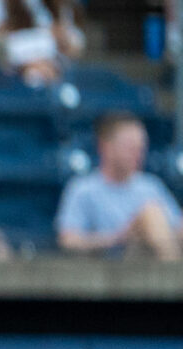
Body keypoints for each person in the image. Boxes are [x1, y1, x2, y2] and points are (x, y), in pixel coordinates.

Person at [56, 111, 183, 260]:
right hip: (112, 266)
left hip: (151, 258)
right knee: (151, 214)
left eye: (141, 148)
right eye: (130, 148)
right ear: (106, 147)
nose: (138, 154)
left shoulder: (151, 185)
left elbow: (176, 228)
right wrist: (117, 238)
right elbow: (68, 241)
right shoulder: (83, 189)